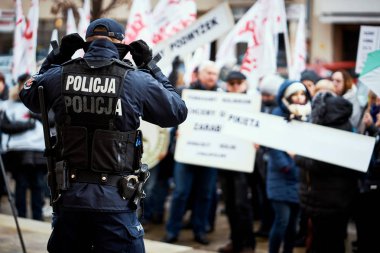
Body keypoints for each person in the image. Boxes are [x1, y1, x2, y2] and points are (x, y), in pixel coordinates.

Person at [19, 18, 187, 253]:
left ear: (86, 44)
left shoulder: (59, 74)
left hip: (70, 200)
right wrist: (149, 65)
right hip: (116, 203)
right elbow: (177, 111)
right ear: (120, 45)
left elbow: (28, 93)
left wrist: (55, 57)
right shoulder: (136, 79)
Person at [295, 90, 360, 253]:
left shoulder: (329, 133)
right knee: (333, 241)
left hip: (326, 200)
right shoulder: (345, 127)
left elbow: (319, 163)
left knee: (324, 243)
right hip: (338, 198)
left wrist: (296, 156)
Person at [163, 60, 220, 245]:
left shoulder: (223, 97)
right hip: (186, 152)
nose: (212, 77)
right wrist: (176, 131)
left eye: (215, 74)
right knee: (180, 193)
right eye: (209, 73)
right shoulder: (185, 93)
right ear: (200, 74)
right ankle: (172, 231)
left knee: (205, 194)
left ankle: (200, 230)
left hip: (209, 154)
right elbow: (172, 117)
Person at [267, 80, 311, 253]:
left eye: (302, 94)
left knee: (293, 224)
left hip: (299, 178)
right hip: (280, 176)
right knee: (282, 221)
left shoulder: (308, 116)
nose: (300, 98)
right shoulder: (277, 114)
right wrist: (288, 166)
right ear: (287, 96)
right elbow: (273, 145)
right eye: (295, 94)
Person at [218, 71, 256, 253]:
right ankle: (236, 242)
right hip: (224, 160)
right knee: (230, 205)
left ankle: (248, 244)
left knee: (242, 205)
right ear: (226, 85)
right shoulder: (219, 103)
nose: (235, 86)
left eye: (238, 83)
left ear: (245, 84)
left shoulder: (253, 104)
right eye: (231, 83)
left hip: (242, 162)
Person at [1, 73, 47, 220]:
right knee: (21, 184)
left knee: (38, 185)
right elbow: (5, 125)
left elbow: (52, 120)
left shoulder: (42, 104)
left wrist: (36, 116)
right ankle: (21, 216)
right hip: (19, 152)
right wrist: (27, 125)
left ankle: (37, 217)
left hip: (39, 151)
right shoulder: (10, 106)